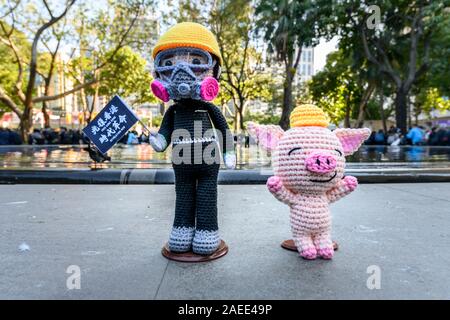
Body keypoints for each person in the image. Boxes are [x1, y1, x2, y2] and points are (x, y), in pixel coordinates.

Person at [148, 22, 236, 255]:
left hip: (208, 163)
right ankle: (182, 230)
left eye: (197, 62)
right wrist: (160, 141)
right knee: (183, 195)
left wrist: (229, 151)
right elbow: (165, 132)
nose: (181, 72)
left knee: (207, 196)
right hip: (182, 164)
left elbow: (223, 129)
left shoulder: (209, 109)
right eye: (169, 64)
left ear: (213, 70)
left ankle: (207, 232)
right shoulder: (173, 112)